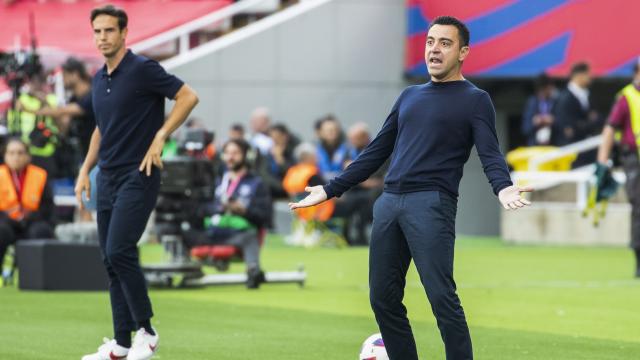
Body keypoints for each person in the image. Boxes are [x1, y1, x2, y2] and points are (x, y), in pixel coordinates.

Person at [290, 16, 532, 360]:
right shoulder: (409, 96)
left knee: (441, 297)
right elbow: (375, 151)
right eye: (430, 41)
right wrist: (330, 189)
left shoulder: (475, 99)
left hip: (431, 204)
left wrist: (503, 188)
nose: (434, 48)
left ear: (463, 52)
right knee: (383, 298)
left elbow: (490, 154)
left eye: (445, 43)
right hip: (389, 202)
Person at [76, 5, 199, 360]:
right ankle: (122, 343)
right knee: (110, 260)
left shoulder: (143, 69)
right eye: (97, 31)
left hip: (139, 173)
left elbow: (188, 96)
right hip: (107, 177)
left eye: (109, 31)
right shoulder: (100, 79)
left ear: (124, 32)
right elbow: (102, 128)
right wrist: (85, 169)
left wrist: (161, 135)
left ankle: (147, 331)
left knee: (119, 250)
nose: (103, 37)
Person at [184, 139, 272, 288]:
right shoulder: (216, 181)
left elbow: (265, 216)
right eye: (227, 153)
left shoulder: (257, 184)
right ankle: (184, 270)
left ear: (246, 156)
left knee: (250, 236)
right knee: (181, 229)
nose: (230, 157)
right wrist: (218, 208)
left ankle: (253, 271)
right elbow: (198, 209)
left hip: (236, 234)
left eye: (235, 153)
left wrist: (244, 210)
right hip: (211, 232)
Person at [596, 60, 640, 278]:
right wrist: (602, 161)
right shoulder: (626, 97)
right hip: (635, 160)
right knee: (639, 208)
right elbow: (610, 129)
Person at [0, 137, 55, 282]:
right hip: (6, 222)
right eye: (11, 153)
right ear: (4, 155)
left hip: (32, 221)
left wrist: (28, 216)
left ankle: (35, 277)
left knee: (41, 230)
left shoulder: (40, 175)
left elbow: (48, 206)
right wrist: (9, 216)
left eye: (20, 153)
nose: (16, 157)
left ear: (28, 156)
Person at [553, 62, 602, 166]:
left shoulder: (587, 95)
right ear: (579, 75)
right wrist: (589, 122)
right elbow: (569, 129)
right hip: (573, 154)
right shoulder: (565, 98)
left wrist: (585, 124)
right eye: (588, 74)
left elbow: (599, 119)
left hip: (588, 151)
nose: (590, 78)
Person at [521, 73, 557, 146]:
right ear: (542, 89)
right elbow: (525, 129)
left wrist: (553, 121)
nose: (551, 90)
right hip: (535, 146)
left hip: (552, 145)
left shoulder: (556, 102)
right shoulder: (532, 103)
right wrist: (535, 122)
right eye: (549, 88)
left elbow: (563, 124)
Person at [314, 114, 351, 182]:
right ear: (320, 132)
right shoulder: (314, 150)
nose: (333, 132)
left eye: (335, 129)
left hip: (344, 184)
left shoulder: (348, 148)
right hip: (321, 184)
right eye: (329, 130)